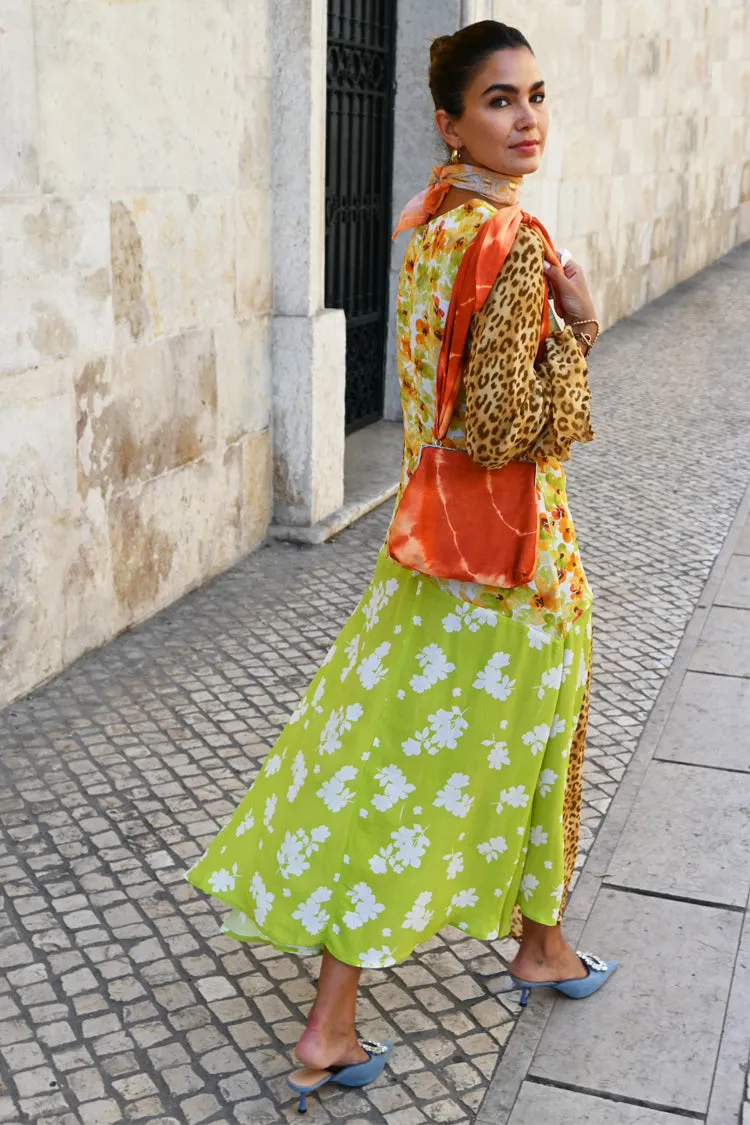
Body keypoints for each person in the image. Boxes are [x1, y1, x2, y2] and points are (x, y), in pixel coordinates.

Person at [187, 20, 616, 1113]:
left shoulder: (427, 223)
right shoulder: (512, 244)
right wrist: (580, 330)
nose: (527, 121)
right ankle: (342, 1017)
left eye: (536, 96)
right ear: (449, 121)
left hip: (431, 542)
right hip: (510, 558)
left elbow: (444, 406)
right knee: (451, 768)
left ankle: (539, 944)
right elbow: (511, 426)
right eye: (500, 101)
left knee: (415, 753)